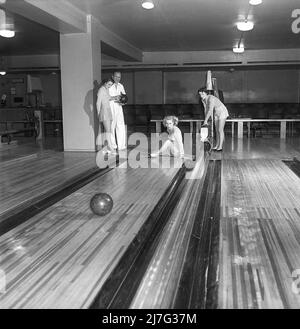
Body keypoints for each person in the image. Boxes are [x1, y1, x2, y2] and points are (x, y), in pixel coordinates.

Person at [198, 87, 229, 151]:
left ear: (206, 93)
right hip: (216, 113)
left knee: (220, 129)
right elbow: (206, 110)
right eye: (200, 94)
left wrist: (206, 120)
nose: (201, 96)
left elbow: (210, 110)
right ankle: (217, 145)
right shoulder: (203, 100)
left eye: (202, 94)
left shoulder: (211, 98)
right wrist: (205, 120)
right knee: (217, 130)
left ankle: (220, 147)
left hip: (222, 111)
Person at [96, 78, 118, 153]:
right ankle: (111, 148)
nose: (110, 86)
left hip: (108, 110)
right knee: (108, 130)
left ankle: (106, 148)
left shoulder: (106, 89)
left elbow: (108, 98)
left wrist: (115, 97)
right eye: (109, 84)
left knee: (108, 130)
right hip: (104, 111)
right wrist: (99, 113)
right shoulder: (101, 90)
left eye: (111, 85)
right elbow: (98, 103)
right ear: (105, 83)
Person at [109, 71, 127, 151]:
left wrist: (124, 102)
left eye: (119, 77)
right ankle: (113, 146)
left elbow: (124, 96)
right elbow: (105, 97)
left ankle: (121, 146)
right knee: (111, 126)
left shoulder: (121, 86)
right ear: (112, 76)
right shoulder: (109, 85)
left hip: (119, 107)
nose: (117, 78)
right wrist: (115, 97)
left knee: (120, 125)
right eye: (116, 76)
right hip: (111, 106)